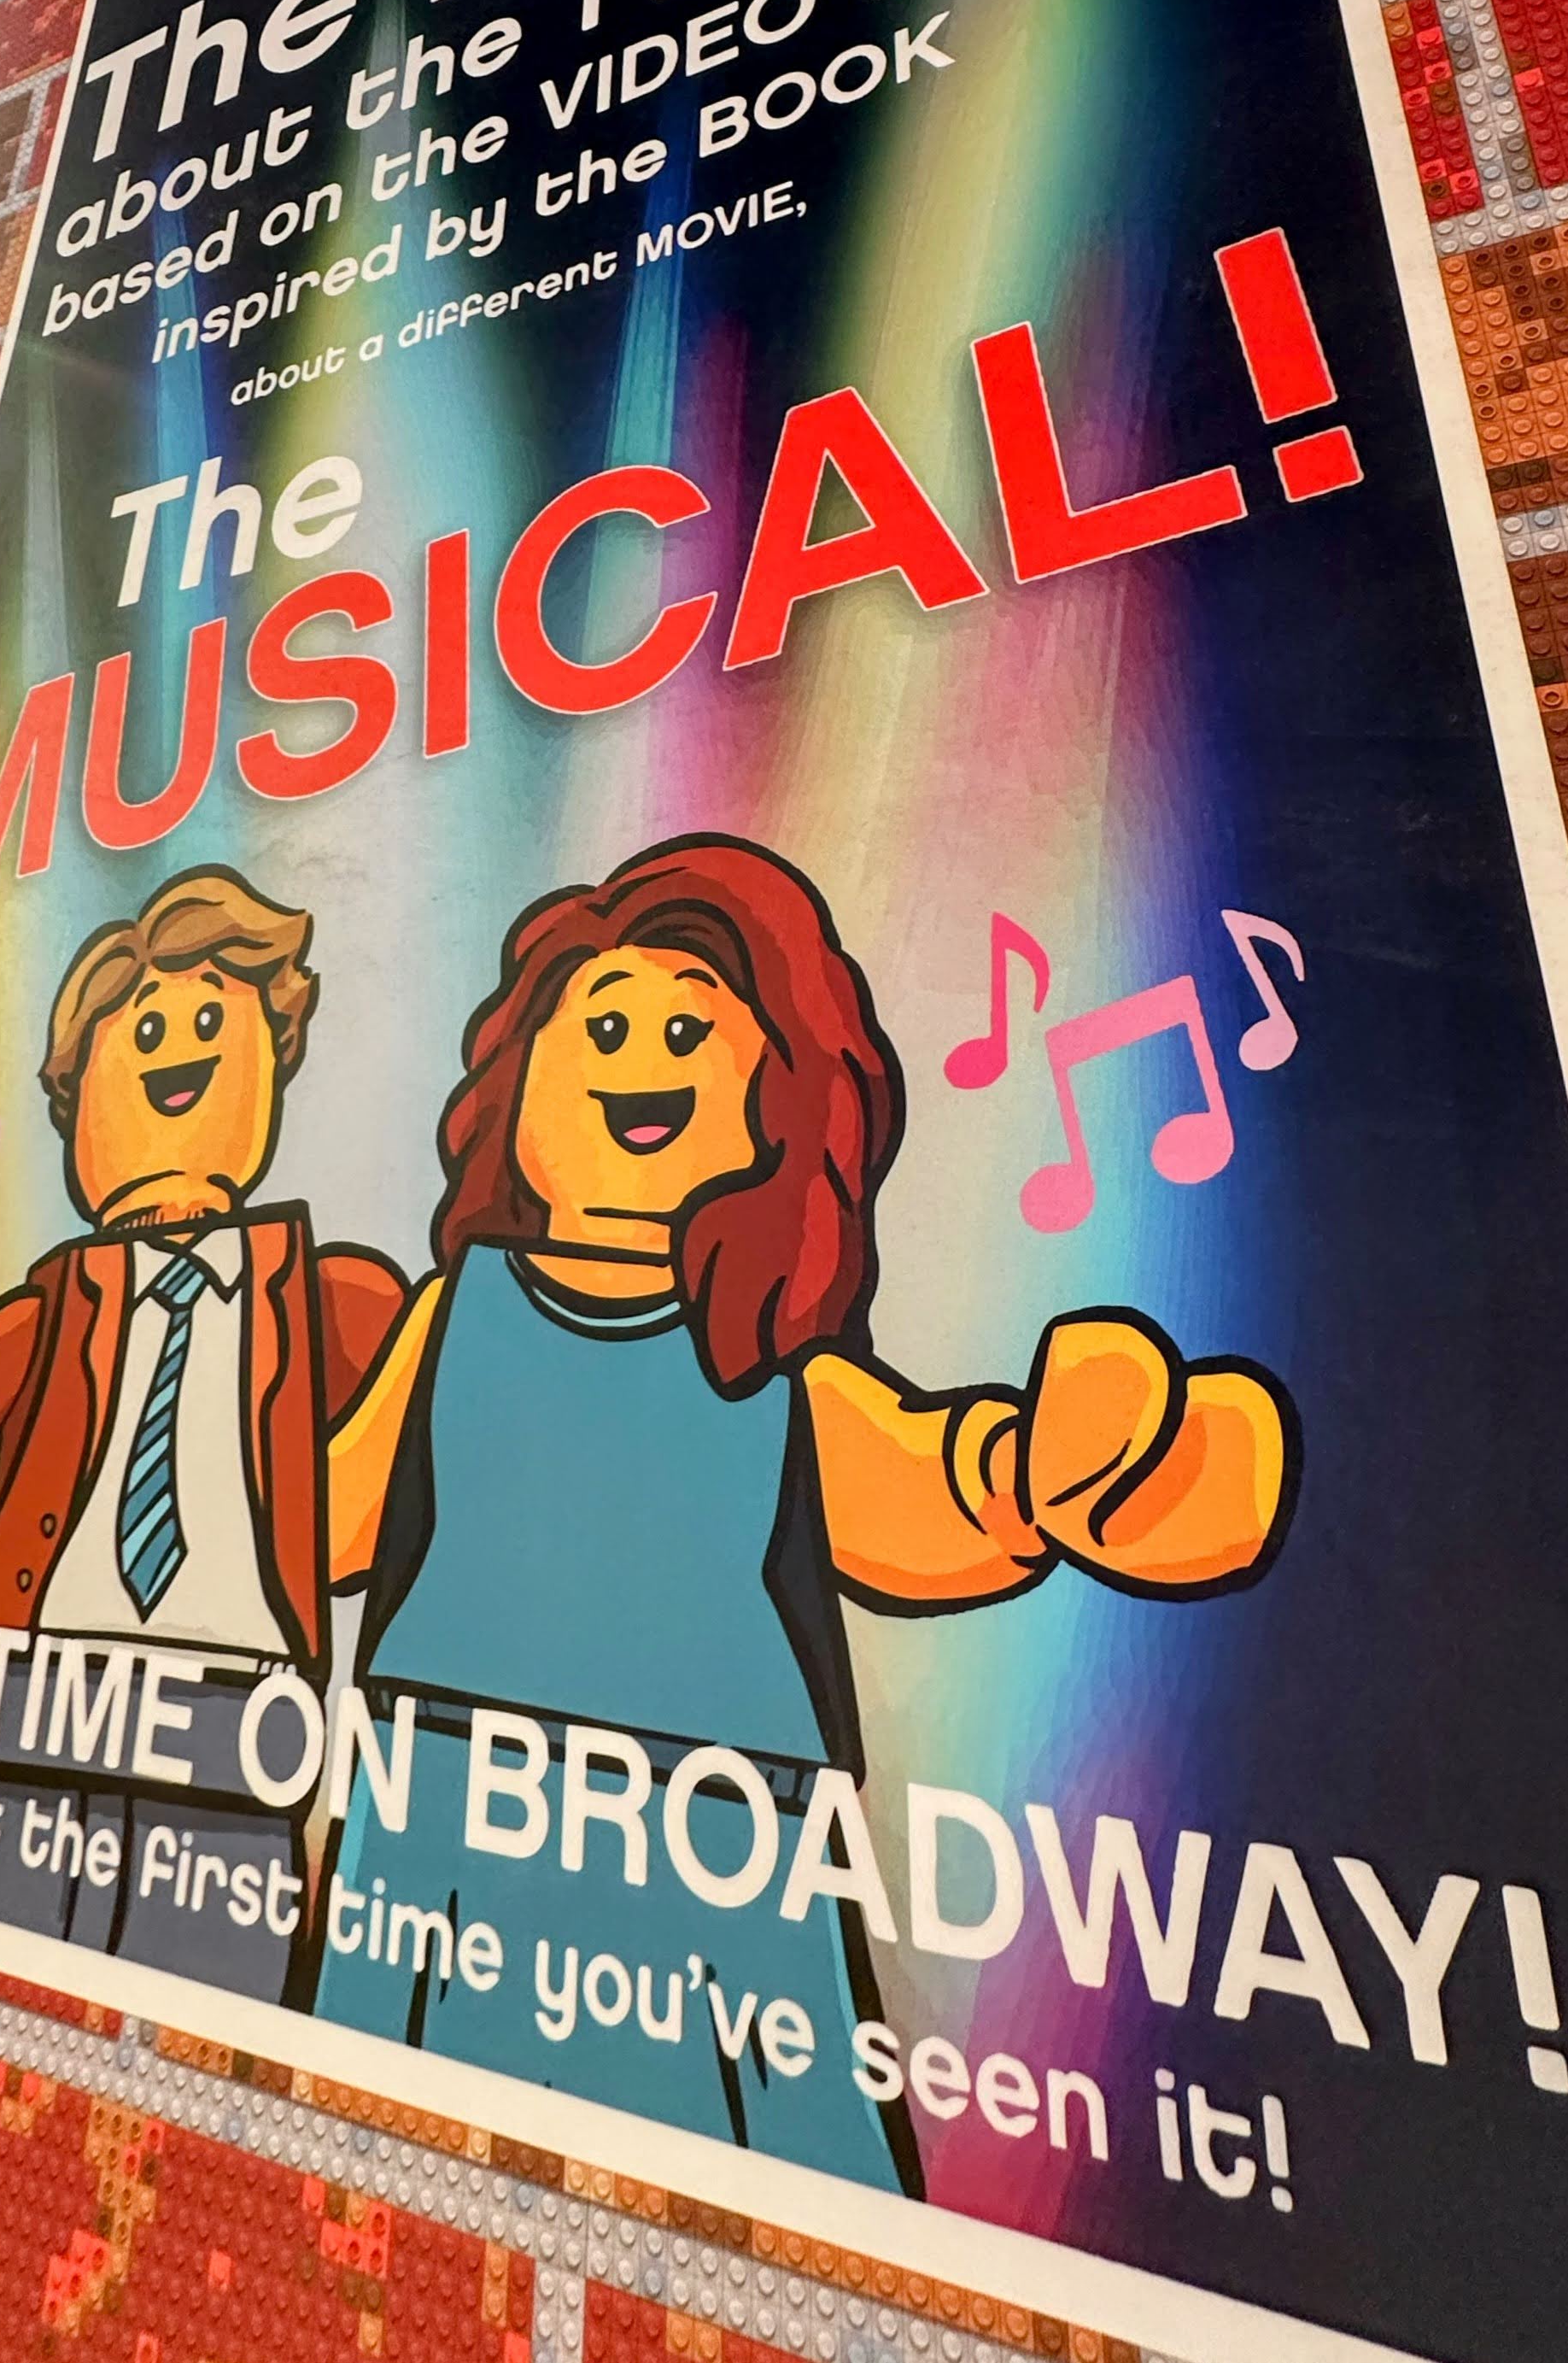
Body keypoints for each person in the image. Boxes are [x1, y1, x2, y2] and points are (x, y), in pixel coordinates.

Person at [318, 836, 1293, 2187]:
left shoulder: (776, 1380)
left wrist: (1083, 1465)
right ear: (517, 1088)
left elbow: (955, 1492)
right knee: (368, 2169)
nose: (639, 1059)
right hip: (432, 1812)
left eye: (688, 1029)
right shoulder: (449, 1320)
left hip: (720, 1851)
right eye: (600, 1024)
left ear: (782, 1100)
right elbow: (315, 1525)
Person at [0, 864, 405, 1998]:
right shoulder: (51, 1305)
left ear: (273, 1061)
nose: (174, 1048)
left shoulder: (327, 1295)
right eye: (138, 1031)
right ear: (74, 1101)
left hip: (239, 1726)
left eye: (211, 1023)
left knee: (209, 1997)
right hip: (19, 1700)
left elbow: (420, 1401)